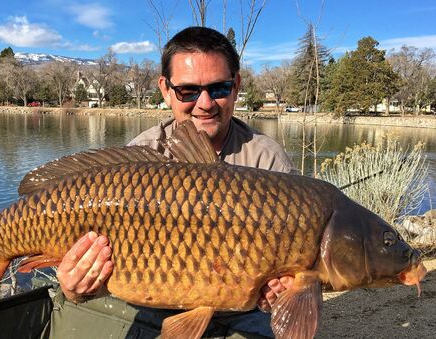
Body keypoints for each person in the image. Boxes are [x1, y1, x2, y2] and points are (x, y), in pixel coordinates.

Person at [48, 26, 296, 338]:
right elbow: (102, 279)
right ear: (166, 90)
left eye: (218, 88)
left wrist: (286, 290)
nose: (204, 103)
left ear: (236, 87)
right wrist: (76, 289)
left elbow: (292, 278)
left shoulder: (268, 162)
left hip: (240, 311)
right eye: (188, 91)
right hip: (153, 304)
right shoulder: (140, 157)